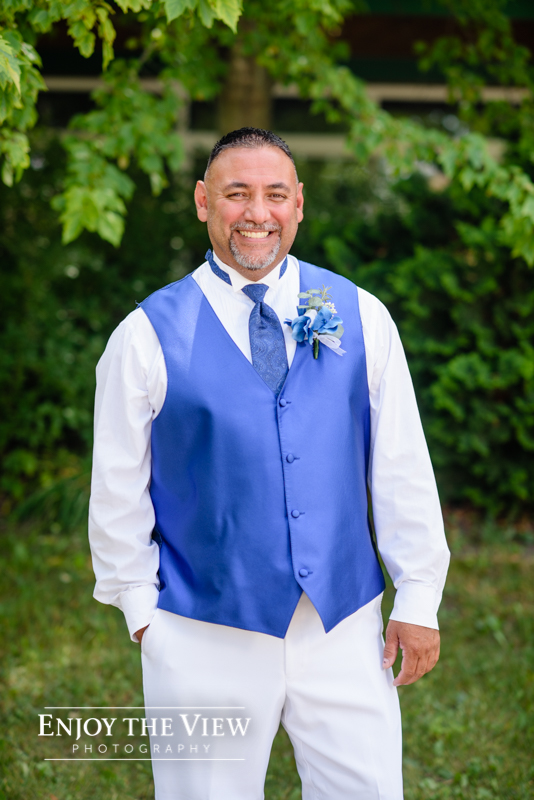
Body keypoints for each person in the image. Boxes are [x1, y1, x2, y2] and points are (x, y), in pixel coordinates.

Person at [89, 127, 450, 800]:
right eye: (237, 194)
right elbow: (116, 487)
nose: (258, 213)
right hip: (203, 627)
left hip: (342, 621)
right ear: (203, 201)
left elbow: (400, 464)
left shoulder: (358, 314)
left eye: (275, 194)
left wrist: (419, 596)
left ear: (299, 203)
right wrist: (142, 612)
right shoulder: (146, 335)